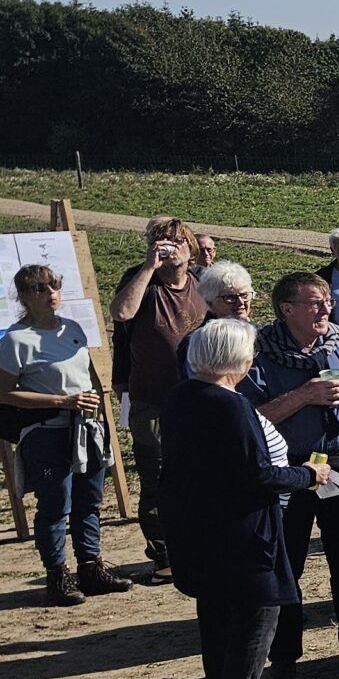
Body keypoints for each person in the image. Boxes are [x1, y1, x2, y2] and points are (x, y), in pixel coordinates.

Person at [241, 273, 339, 676]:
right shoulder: (258, 351)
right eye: (315, 302)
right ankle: (284, 657)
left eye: (327, 301)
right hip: (289, 471)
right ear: (287, 309)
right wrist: (305, 396)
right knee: (287, 563)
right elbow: (250, 418)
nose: (326, 309)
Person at [164, 318, 334, 679]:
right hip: (244, 543)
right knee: (253, 629)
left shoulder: (180, 396)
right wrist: (308, 475)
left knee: (217, 629)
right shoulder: (230, 405)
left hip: (200, 534)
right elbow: (259, 474)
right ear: (241, 360)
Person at [0, 264, 129, 607]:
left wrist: (98, 413)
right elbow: (3, 393)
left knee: (90, 500)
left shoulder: (72, 328)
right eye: (40, 288)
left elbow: (87, 376)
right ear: (23, 296)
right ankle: (57, 575)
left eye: (54, 285)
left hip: (86, 428)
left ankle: (91, 568)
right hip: (46, 431)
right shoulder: (16, 339)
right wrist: (61, 401)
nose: (50, 293)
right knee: (56, 504)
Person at [108, 215, 205, 586]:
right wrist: (149, 267)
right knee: (158, 477)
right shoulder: (140, 280)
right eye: (161, 241)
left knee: (202, 472)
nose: (170, 248)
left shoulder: (201, 282)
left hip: (199, 399)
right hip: (152, 399)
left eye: (177, 241)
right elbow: (121, 313)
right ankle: (164, 554)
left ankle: (199, 543)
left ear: (190, 248)